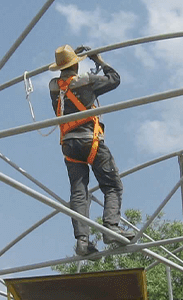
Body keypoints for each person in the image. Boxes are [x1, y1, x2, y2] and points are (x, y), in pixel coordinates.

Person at [48, 44, 135, 257]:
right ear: (76, 64)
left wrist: (76, 59)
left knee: (79, 193)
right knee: (112, 185)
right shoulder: (85, 80)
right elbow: (115, 78)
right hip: (90, 142)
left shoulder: (53, 86)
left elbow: (66, 81)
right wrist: (98, 60)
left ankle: (82, 241)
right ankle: (111, 228)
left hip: (69, 146)